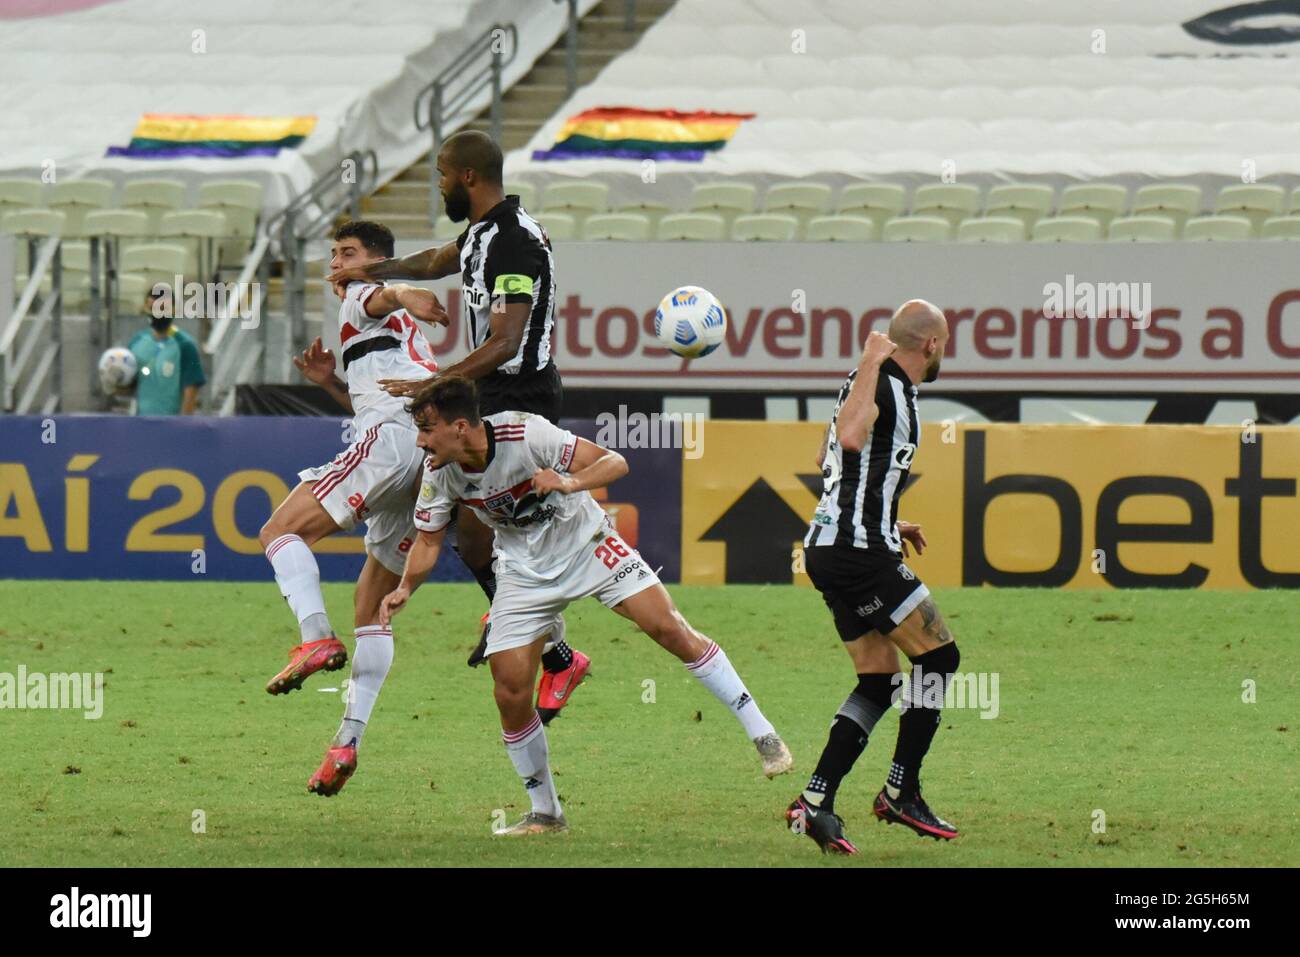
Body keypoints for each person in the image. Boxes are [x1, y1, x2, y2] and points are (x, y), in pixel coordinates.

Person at [378, 375, 793, 835]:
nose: (420, 441)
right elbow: (429, 540)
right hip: (521, 572)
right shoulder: (439, 474)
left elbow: (615, 462)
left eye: (427, 429)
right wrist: (406, 588)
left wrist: (568, 481)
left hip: (587, 545)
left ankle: (764, 734)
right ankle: (546, 812)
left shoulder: (526, 432)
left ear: (459, 427)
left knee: (668, 628)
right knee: (510, 689)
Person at [325, 129, 589, 725]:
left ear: (468, 177)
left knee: (515, 529)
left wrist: (434, 384)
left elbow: (506, 339)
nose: (437, 182)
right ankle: (546, 644)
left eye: (442, 173)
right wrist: (374, 272)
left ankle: (555, 645)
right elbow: (437, 261)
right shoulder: (482, 234)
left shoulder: (516, 244)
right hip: (490, 392)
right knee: (474, 534)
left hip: (521, 392)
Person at [258, 219, 449, 796]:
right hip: (425, 456)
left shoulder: (367, 294)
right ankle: (347, 742)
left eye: (347, 254)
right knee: (373, 608)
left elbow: (390, 291)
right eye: (334, 255)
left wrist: (411, 291)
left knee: (279, 530)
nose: (336, 265)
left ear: (374, 262)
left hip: (391, 442)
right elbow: (380, 390)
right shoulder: (377, 329)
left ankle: (315, 635)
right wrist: (330, 385)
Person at [788, 300, 962, 853]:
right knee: (938, 658)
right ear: (930, 344)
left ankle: (814, 803)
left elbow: (826, 458)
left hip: (843, 543)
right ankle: (900, 791)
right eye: (946, 342)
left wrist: (885, 512)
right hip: (856, 551)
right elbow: (848, 441)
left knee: (880, 678)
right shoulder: (878, 379)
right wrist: (868, 359)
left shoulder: (882, 388)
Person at [127, 289, 206, 415]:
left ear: (173, 309)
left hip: (171, 427)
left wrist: (181, 427)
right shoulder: (137, 342)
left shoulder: (185, 346)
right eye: (152, 308)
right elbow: (128, 386)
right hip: (141, 424)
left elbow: (191, 391)